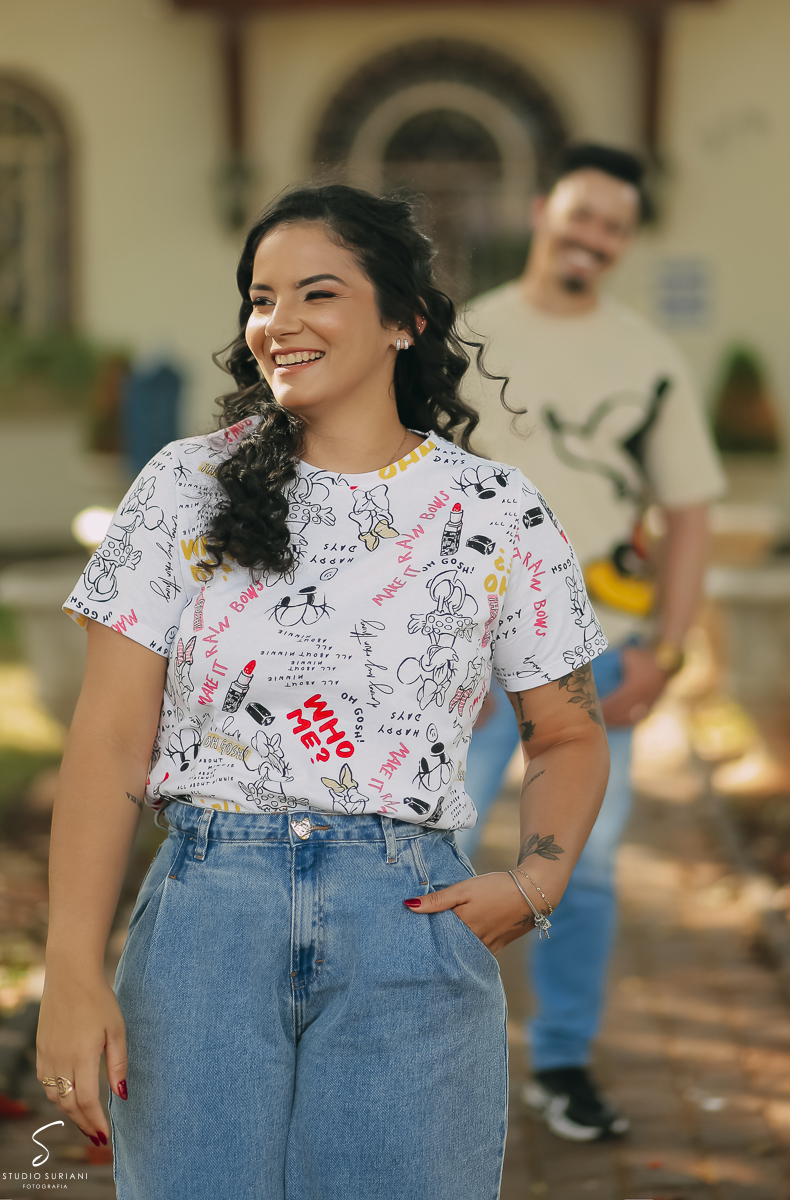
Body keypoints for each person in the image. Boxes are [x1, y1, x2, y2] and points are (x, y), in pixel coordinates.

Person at [36, 184, 610, 1200]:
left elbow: (565, 731)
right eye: (260, 299)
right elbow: (108, 744)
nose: (278, 323)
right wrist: (72, 972)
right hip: (205, 928)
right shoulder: (181, 487)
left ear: (404, 320)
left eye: (316, 293)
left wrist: (535, 882)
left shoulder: (496, 511)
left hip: (408, 920)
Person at [460, 143, 726, 1142]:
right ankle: (413, 1042)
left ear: (621, 242)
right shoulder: (463, 337)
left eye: (612, 226)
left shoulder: (646, 358)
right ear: (541, 210)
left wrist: (665, 646)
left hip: (596, 656)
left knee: (579, 869)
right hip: (464, 660)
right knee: (424, 849)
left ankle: (560, 1063)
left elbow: (688, 512)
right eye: (579, 215)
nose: (591, 237)